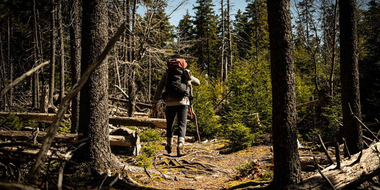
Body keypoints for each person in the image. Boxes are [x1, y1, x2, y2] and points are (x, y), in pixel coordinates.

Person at [152, 54, 200, 156]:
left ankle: (169, 146)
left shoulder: (168, 73)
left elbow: (160, 88)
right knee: (182, 124)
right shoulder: (185, 71)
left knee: (170, 124)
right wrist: (190, 78)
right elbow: (198, 83)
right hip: (183, 102)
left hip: (169, 102)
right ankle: (180, 146)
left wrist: (155, 102)